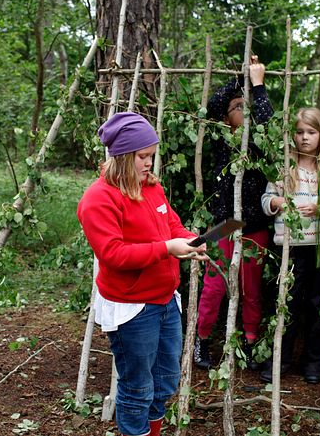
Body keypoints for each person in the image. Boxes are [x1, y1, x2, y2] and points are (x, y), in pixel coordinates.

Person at [76, 112, 208, 436]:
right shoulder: (98, 199)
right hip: (133, 307)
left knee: (164, 383)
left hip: (164, 300)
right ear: (121, 156)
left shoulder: (150, 187)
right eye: (143, 157)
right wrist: (167, 249)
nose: (149, 163)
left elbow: (171, 224)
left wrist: (189, 240)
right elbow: (113, 254)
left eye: (151, 156)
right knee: (137, 388)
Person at [193, 56, 274, 371]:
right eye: (238, 107)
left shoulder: (258, 143)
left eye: (249, 106)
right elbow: (212, 105)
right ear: (227, 119)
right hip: (222, 225)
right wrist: (239, 80)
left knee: (252, 291)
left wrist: (258, 85)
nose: (246, 110)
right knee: (214, 286)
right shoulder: (221, 141)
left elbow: (268, 122)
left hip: (254, 225)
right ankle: (201, 342)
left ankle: (251, 346)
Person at [260, 106, 320, 384]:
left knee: (319, 304)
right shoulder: (285, 167)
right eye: (300, 132)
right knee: (286, 304)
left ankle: (313, 363)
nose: (305, 138)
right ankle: (279, 360)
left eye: (311, 132)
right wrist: (277, 201)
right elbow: (266, 199)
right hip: (291, 246)